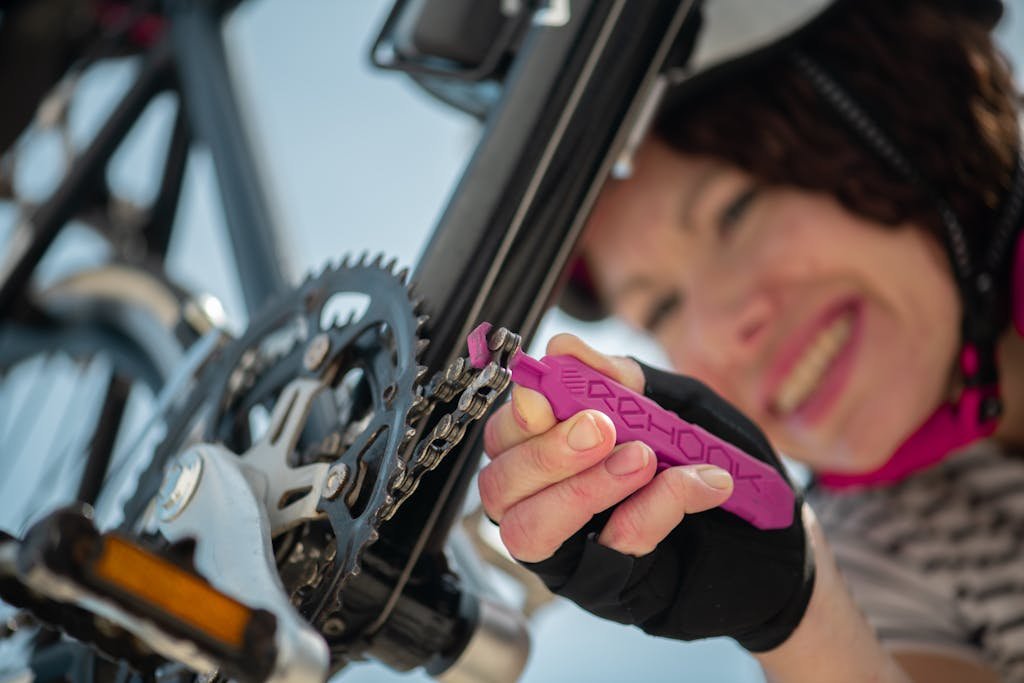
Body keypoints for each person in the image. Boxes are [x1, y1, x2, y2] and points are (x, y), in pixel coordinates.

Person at [477, 0, 1024, 681]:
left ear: (898, 116)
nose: (722, 329)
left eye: (734, 211)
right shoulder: (881, 550)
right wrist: (801, 609)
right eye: (664, 307)